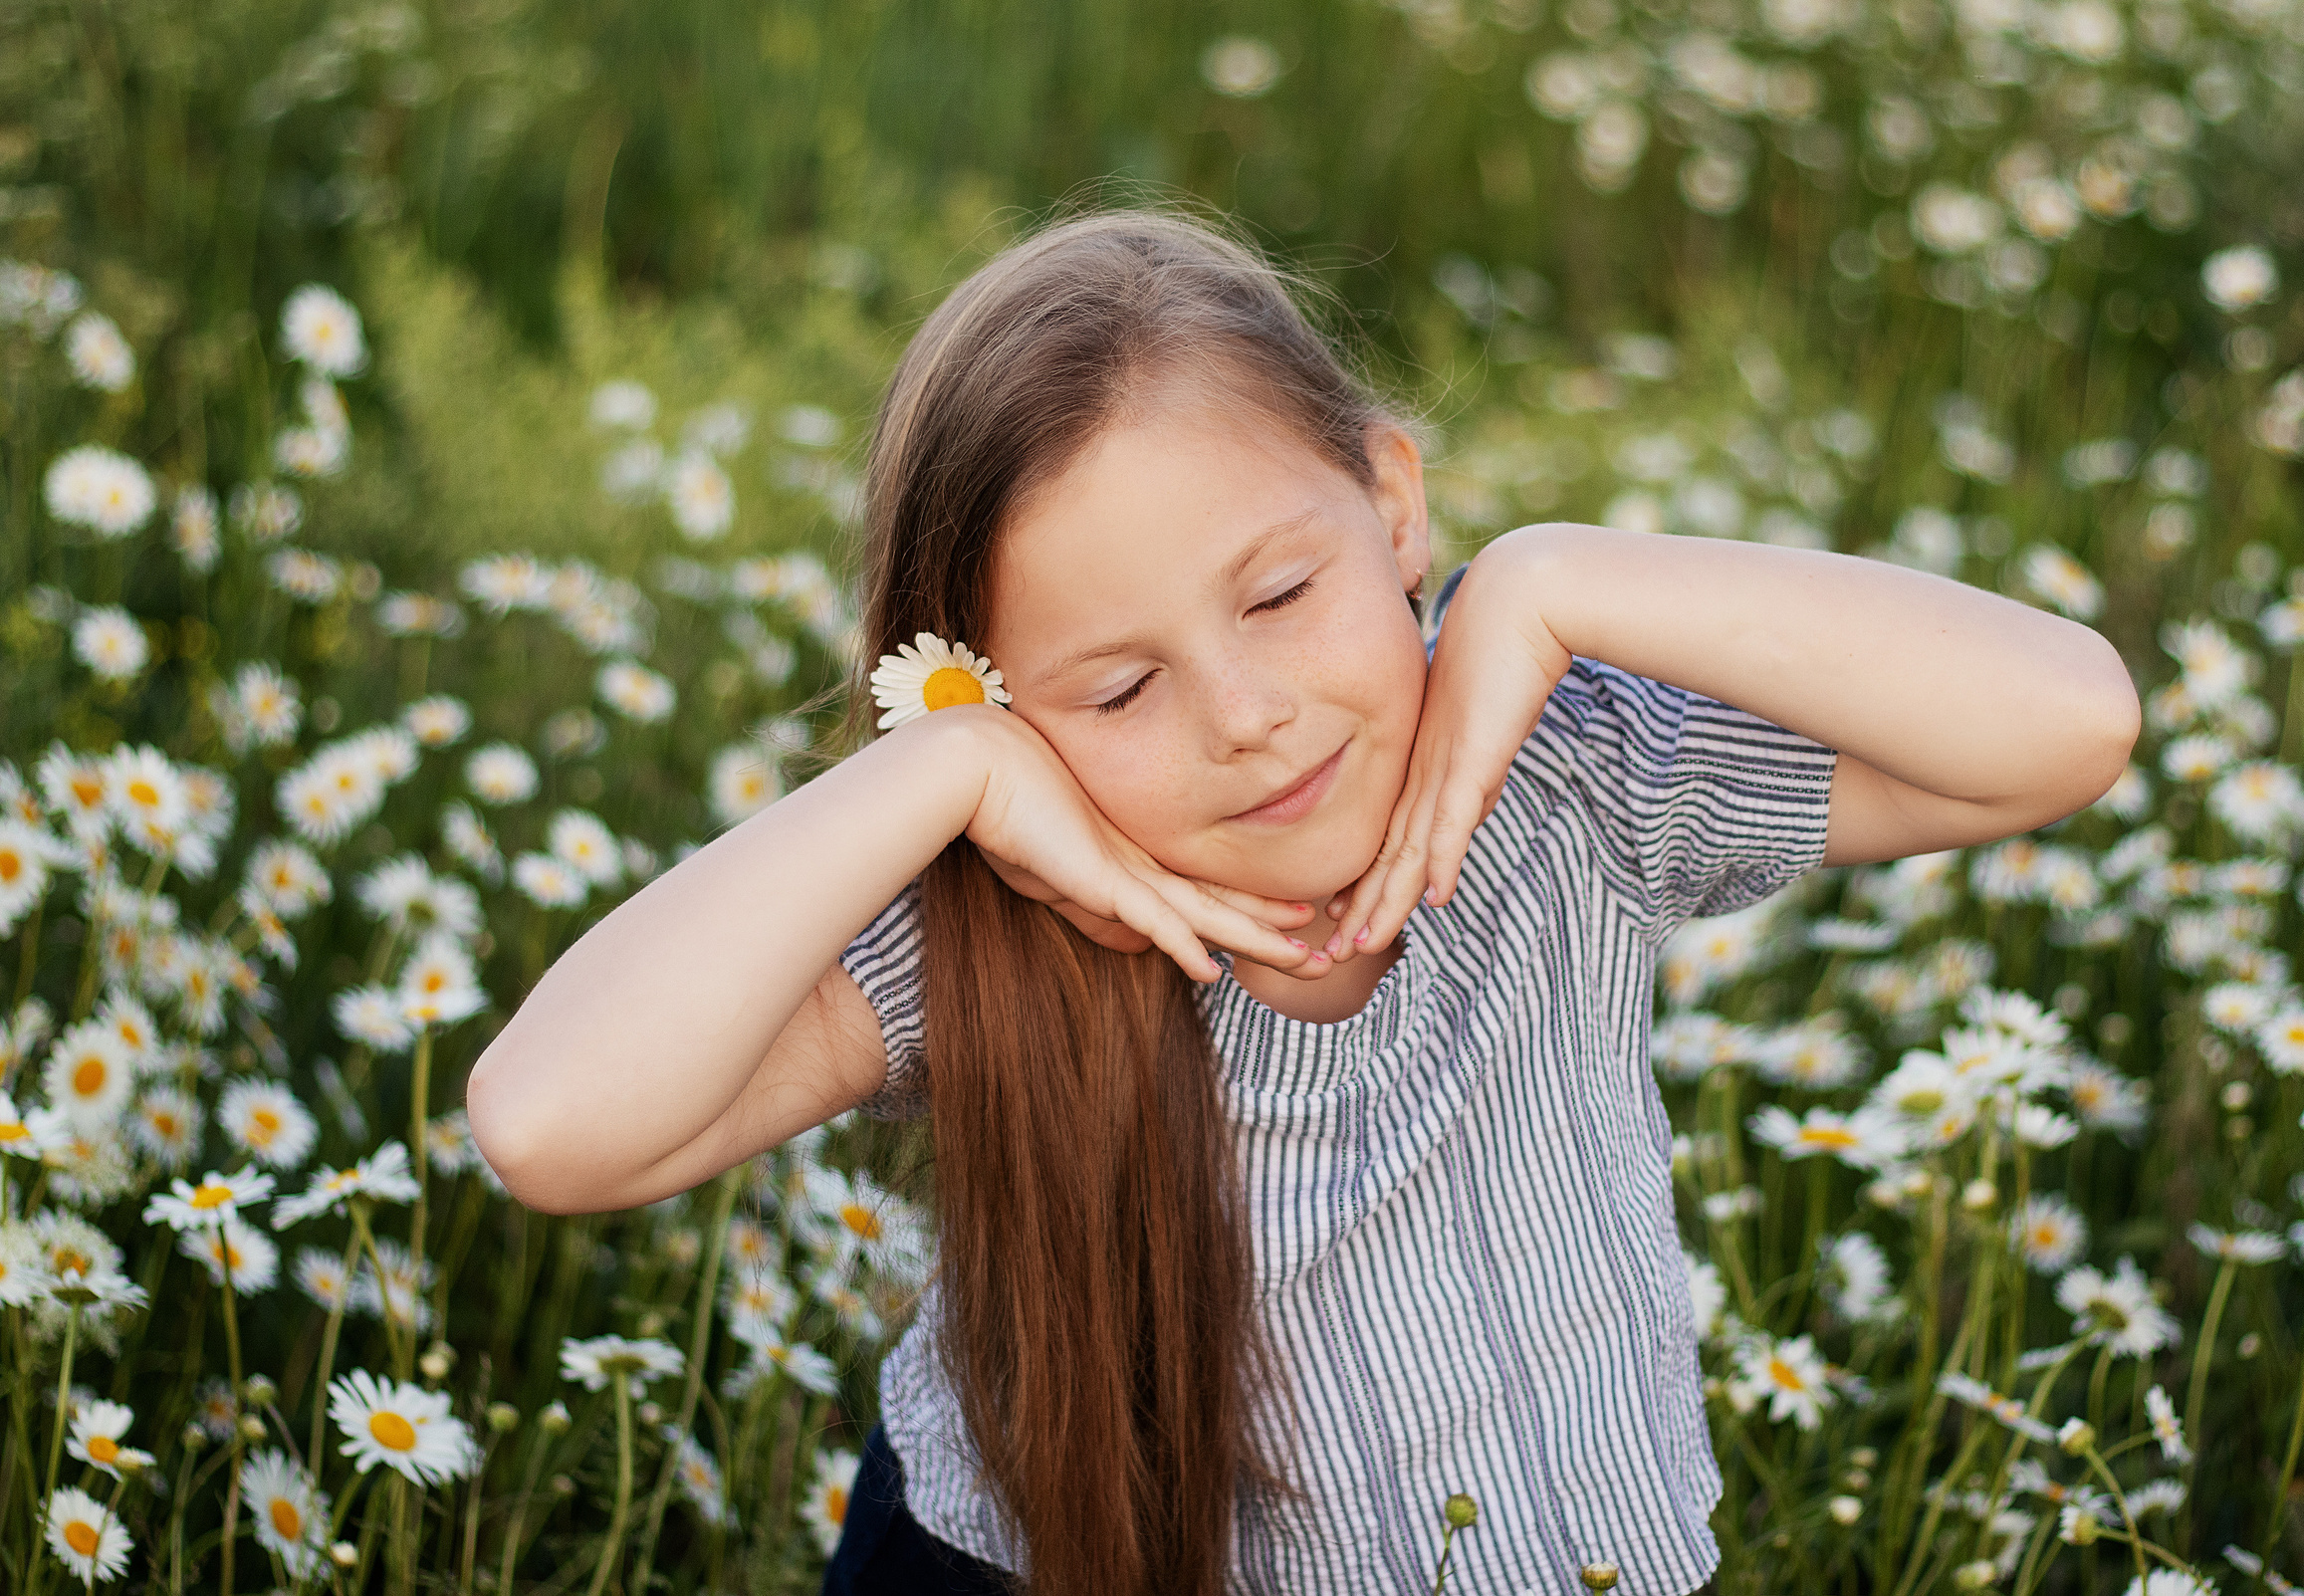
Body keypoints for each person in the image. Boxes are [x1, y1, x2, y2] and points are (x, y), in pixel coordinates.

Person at [466, 207, 2139, 1596]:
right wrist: (942, 774)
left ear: (1393, 505)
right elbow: (552, 1127)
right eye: (1117, 692)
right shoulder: (998, 924)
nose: (1244, 714)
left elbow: (2066, 725)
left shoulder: (1574, 781)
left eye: (1280, 591)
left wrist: (1556, 579)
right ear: (1006, 710)